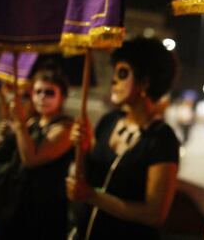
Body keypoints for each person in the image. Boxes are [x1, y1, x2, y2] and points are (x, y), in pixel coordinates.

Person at [66, 37, 180, 239]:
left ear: (145, 82)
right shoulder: (108, 121)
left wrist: (93, 196)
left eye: (123, 73)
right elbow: (85, 180)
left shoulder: (162, 139)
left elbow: (154, 214)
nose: (114, 80)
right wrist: (81, 149)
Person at [0, 68, 73, 240]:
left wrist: (20, 125)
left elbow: (31, 159)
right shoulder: (34, 121)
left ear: (62, 97)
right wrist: (12, 134)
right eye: (37, 92)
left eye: (49, 92)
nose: (42, 97)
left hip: (42, 211)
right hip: (17, 204)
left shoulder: (65, 128)